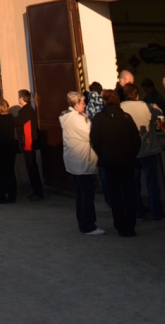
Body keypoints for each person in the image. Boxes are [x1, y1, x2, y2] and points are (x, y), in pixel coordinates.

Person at [90, 88, 141, 236]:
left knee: (115, 195)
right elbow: (136, 139)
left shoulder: (99, 118)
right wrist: (131, 155)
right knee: (129, 193)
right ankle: (130, 225)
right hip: (127, 161)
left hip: (109, 162)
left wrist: (103, 155)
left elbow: (95, 140)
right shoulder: (126, 117)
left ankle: (120, 224)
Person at [60, 90, 104, 235]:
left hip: (76, 161)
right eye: (83, 103)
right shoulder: (75, 119)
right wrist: (89, 120)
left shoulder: (69, 117)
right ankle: (88, 225)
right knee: (86, 194)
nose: (85, 105)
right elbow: (90, 134)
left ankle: (84, 222)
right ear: (76, 104)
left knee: (81, 194)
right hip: (81, 161)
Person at [120, 84, 163, 221]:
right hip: (147, 149)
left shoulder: (120, 108)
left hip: (130, 151)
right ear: (137, 95)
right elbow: (160, 120)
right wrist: (158, 109)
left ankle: (138, 211)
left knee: (134, 183)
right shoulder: (145, 106)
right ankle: (156, 212)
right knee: (152, 183)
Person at [15, 90, 44, 200]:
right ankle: (35, 190)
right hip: (27, 142)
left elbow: (18, 121)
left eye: (19, 97)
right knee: (31, 167)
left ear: (22, 98)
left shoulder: (26, 110)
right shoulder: (26, 110)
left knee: (32, 168)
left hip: (29, 142)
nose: (18, 99)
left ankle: (37, 191)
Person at [0, 98, 17, 204]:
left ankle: (2, 196)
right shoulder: (11, 118)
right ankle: (12, 196)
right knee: (10, 172)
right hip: (10, 148)